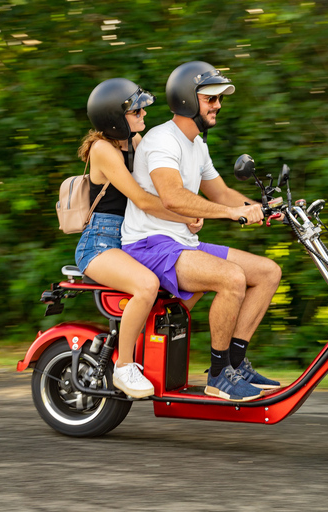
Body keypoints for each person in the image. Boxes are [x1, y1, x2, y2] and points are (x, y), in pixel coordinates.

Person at [121, 61, 282, 403]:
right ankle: (219, 374)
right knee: (232, 278)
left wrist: (263, 209)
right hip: (149, 245)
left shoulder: (197, 145)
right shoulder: (163, 139)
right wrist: (231, 214)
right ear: (186, 100)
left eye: (219, 98)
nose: (218, 105)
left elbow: (222, 194)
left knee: (268, 272)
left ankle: (235, 364)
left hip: (181, 244)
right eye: (210, 98)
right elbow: (173, 196)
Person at [76, 78, 202, 399]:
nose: (144, 113)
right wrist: (185, 215)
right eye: (136, 110)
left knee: (194, 279)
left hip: (134, 237)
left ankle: (150, 345)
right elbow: (143, 200)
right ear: (114, 118)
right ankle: (124, 367)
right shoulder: (103, 149)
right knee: (146, 285)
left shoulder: (135, 140)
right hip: (101, 244)